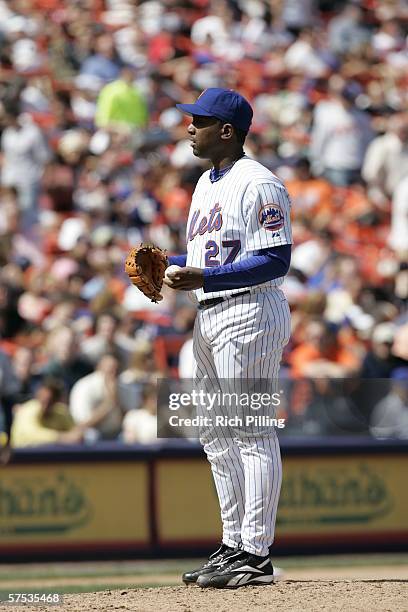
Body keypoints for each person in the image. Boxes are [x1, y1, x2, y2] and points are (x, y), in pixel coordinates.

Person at [163, 88, 292, 588]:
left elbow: (276, 259)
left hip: (250, 313)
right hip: (210, 315)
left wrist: (203, 279)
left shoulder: (260, 183)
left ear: (227, 131)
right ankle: (233, 542)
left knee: (250, 430)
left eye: (199, 120)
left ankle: (256, 553)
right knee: (215, 435)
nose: (189, 127)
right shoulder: (203, 182)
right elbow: (208, 258)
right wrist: (169, 265)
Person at [11, 378, 83, 448]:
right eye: (43, 400)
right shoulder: (28, 410)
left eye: (50, 401)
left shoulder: (61, 412)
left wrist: (73, 437)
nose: (45, 406)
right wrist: (62, 437)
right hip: (24, 457)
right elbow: (31, 434)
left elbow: (76, 435)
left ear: (56, 401)